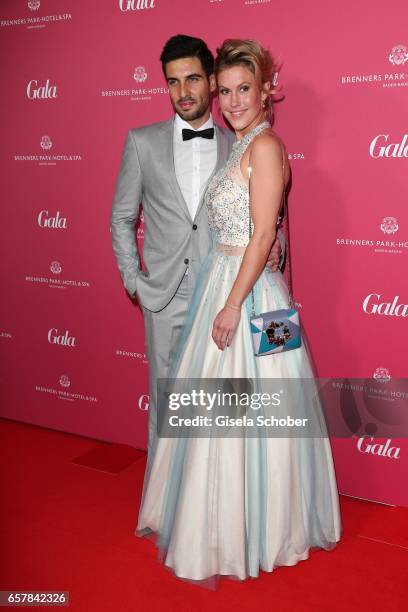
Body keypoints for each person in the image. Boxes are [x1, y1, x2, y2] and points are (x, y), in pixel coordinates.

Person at [136, 38, 342, 587]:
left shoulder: (266, 145)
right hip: (226, 284)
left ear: (265, 90)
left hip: (251, 298)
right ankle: (219, 522)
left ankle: (264, 528)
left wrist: (231, 306)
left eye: (242, 89)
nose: (231, 101)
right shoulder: (241, 144)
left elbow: (263, 235)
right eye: (223, 90)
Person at [110, 35, 285, 470]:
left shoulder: (239, 142)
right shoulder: (141, 142)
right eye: (172, 82)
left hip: (224, 295)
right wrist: (135, 280)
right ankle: (162, 497)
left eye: (193, 79)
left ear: (209, 81)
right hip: (164, 297)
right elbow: (121, 218)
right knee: (168, 403)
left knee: (226, 406)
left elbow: (260, 218)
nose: (183, 92)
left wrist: (272, 239)